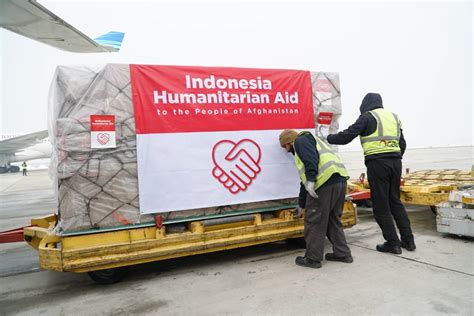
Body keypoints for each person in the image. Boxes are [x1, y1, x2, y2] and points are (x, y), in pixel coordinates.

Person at [323, 92, 416, 254]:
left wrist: (327, 138)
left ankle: (392, 243)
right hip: (395, 162)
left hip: (378, 164)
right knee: (395, 202)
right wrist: (395, 156)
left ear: (365, 104)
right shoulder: (394, 117)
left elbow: (347, 136)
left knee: (381, 205)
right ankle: (408, 241)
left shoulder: (368, 117)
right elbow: (402, 143)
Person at [279, 129, 352, 269]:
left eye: (285, 146)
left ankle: (313, 258)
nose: (286, 150)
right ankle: (343, 254)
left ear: (289, 142)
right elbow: (304, 181)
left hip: (324, 184)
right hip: (339, 181)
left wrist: (312, 180)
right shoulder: (315, 141)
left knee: (314, 221)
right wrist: (301, 205)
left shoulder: (301, 140)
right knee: (333, 219)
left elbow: (310, 160)